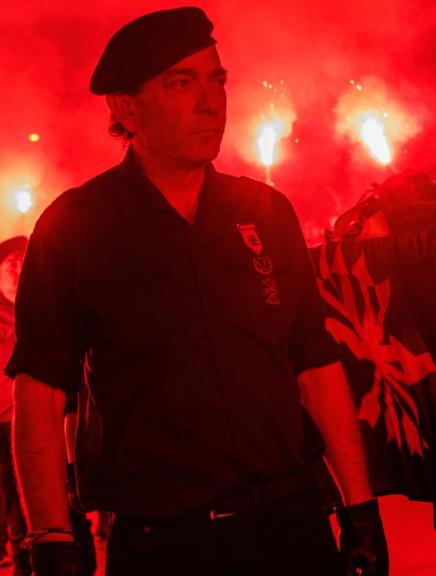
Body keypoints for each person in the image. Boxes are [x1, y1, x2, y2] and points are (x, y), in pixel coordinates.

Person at [6, 8, 387, 576]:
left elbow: (314, 364)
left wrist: (361, 509)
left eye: (217, 80)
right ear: (125, 108)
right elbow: (39, 395)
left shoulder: (266, 212)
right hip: (166, 546)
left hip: (294, 527)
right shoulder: (74, 229)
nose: (211, 102)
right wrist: (52, 541)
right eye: (182, 84)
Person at [0, 237, 28, 572]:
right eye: (11, 264)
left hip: (29, 422)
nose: (19, 270)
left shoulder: (38, 314)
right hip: (2, 424)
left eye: (24, 262)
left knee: (25, 508)